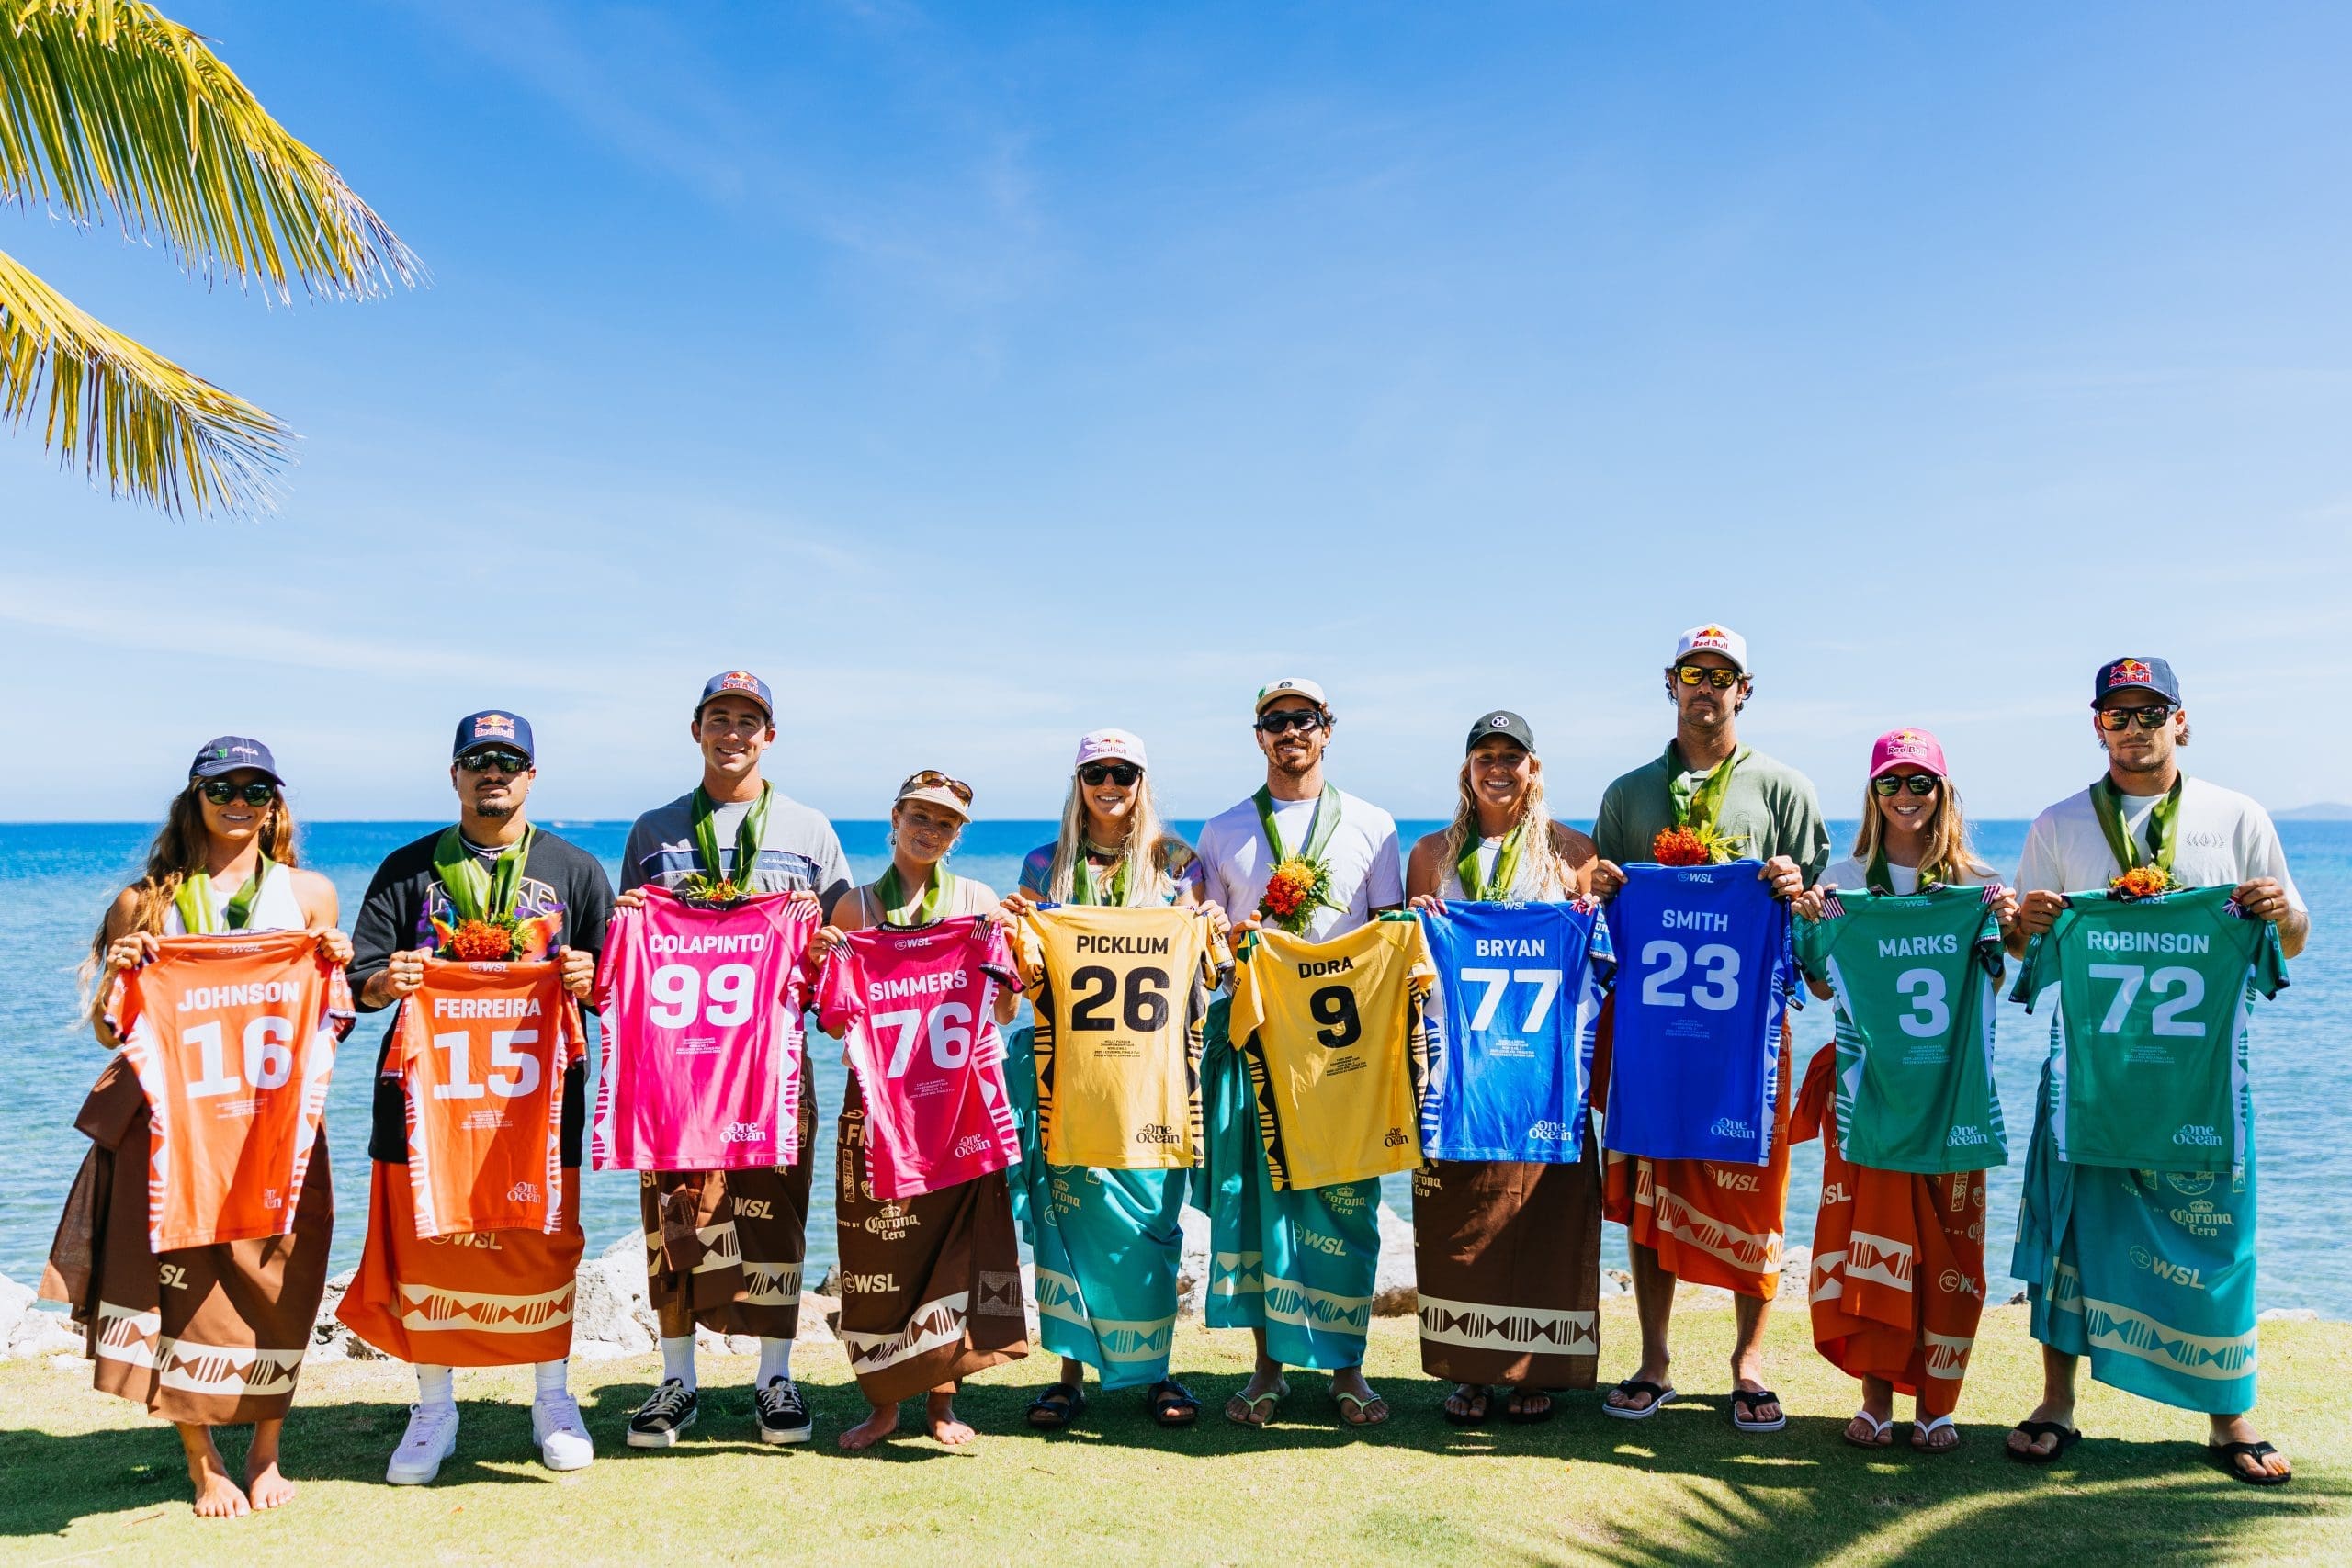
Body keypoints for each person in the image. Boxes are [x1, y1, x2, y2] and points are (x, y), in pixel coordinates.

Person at [2005, 658, 2309, 1485]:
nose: (2133, 728)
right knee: (2070, 1236)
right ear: (2095, 724)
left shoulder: (2236, 814)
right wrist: (2026, 923)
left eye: (2150, 712)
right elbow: (2022, 949)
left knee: (2217, 1240)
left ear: (2182, 720)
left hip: (2199, 1083)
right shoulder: (2059, 823)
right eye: (2116, 714)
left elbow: (2291, 940)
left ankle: (2229, 1414)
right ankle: (2056, 1402)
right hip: (2089, 1079)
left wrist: (2285, 911)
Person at [56, 738, 349, 1517]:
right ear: (195, 797)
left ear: (275, 803)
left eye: (257, 788)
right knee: (185, 1287)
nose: (240, 801)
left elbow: (330, 1017)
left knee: (279, 1280)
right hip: (178, 1127)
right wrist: (122, 969)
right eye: (224, 787)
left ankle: (266, 1452)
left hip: (275, 1122)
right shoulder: (143, 901)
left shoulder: (310, 894)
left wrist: (338, 965)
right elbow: (111, 1031)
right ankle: (204, 1462)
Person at [344, 712, 612, 1483]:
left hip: (535, 1100)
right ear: (454, 774)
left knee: (541, 1239)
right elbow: (356, 984)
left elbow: (621, 987)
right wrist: (382, 980)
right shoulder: (406, 869)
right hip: (424, 1097)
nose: (492, 771)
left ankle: (552, 1397)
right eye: (476, 759)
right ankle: (434, 1406)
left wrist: (596, 981)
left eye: (508, 760)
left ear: (532, 775)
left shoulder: (574, 868)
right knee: (427, 1241)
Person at [1589, 625, 1828, 1433]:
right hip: (1652, 1026)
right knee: (1652, 1186)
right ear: (1670, 681)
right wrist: (1602, 881)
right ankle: (1655, 1358)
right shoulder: (1627, 793)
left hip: (1748, 1028)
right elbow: (1602, 907)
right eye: (1692, 671)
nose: (1705, 686)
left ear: (1744, 689)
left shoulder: (1785, 789)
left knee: (1753, 1191)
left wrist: (1800, 887)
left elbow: (1822, 912)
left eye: (1721, 675)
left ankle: (1748, 1364)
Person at [613, 671, 853, 1449]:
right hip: (676, 1072)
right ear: (696, 729)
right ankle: (676, 1381)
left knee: (776, 1212)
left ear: (769, 736)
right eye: (721, 718)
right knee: (675, 1215)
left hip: (774, 1067)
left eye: (750, 721)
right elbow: (633, 957)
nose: (735, 733)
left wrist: (821, 943)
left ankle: (774, 1376)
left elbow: (844, 949)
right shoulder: (653, 831)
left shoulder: (811, 830)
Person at [1790, 728, 2016, 1453]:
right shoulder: (1848, 881)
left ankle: (1939, 1405)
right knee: (1872, 1247)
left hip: (1954, 1097)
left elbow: (2002, 976)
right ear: (1872, 793)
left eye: (1921, 782)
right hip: (1869, 1096)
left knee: (1951, 1256)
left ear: (1942, 792)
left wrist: (2007, 925)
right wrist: (1811, 923)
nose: (1907, 796)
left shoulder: (1976, 884)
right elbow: (1823, 982)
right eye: (1892, 782)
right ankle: (1877, 1398)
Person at [999, 728, 1228, 1430]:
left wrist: (1212, 925)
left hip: (1155, 1077)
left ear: (1142, 781)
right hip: (1067, 1073)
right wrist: (1012, 929)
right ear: (1078, 782)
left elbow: (1206, 971)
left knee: (1153, 1225)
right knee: (1065, 1220)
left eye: (1123, 772)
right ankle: (1068, 1374)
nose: (1110, 784)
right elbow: (1025, 976)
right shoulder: (1045, 862)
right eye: (1096, 771)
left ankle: (1155, 1370)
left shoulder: (1178, 861)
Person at [1194, 679, 1406, 1427]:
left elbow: (1389, 939)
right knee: (1261, 1203)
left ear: (1327, 729)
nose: (1291, 731)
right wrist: (1214, 927)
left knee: (1348, 1207)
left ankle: (1350, 1371)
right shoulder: (1221, 832)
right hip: (1255, 1040)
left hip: (1343, 1053)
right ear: (1258, 735)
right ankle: (1267, 1368)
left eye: (1303, 719)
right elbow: (1202, 951)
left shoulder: (1375, 827)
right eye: (1275, 721)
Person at [808, 770, 1028, 1451]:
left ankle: (940, 1401)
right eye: (920, 816)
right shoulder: (855, 908)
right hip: (878, 1106)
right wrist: (827, 958)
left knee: (954, 1251)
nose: (930, 830)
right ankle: (882, 1403)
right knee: (876, 1251)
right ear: (895, 817)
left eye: (945, 822)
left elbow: (1005, 1009)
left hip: (958, 1104)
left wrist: (1003, 947)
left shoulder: (978, 902)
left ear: (958, 834)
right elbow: (835, 1023)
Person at [1404, 711, 1601, 1425]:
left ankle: (1534, 1371)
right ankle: (1471, 1371)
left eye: (1511, 756)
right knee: (1463, 1220)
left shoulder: (1572, 850)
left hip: (1542, 1075)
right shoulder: (1430, 854)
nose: (1498, 767)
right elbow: (1411, 962)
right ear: (1466, 770)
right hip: (1463, 1076)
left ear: (1533, 769)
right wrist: (1418, 915)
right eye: (1484, 755)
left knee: (1544, 1213)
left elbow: (1597, 954)